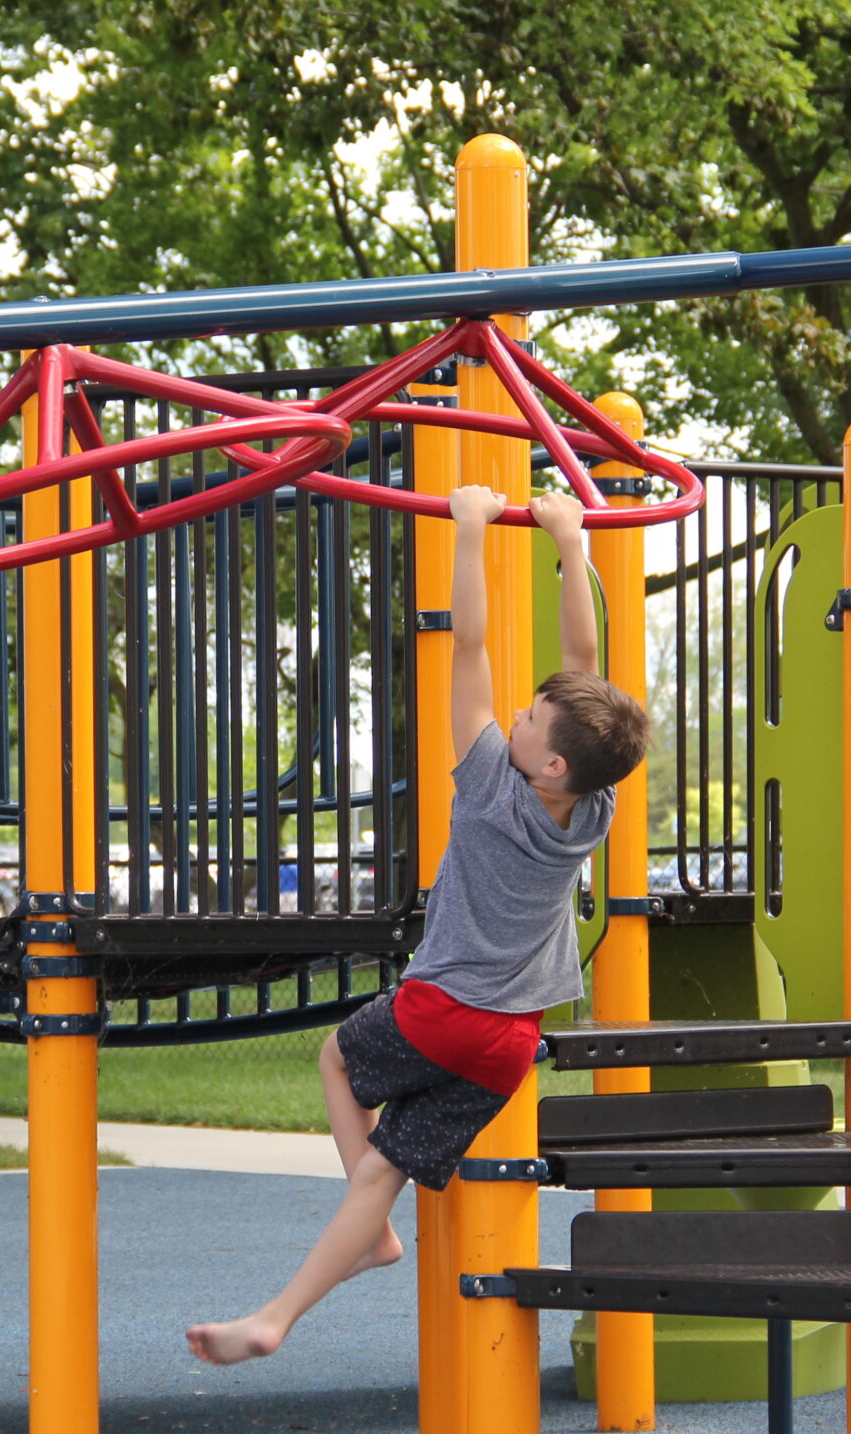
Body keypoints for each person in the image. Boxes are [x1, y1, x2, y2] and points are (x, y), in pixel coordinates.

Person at [186, 484, 653, 1365]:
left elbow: (467, 642)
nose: (512, 712)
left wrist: (470, 527)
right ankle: (284, 1308)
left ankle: (344, 1251)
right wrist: (569, 542)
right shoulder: (594, 807)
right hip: (513, 1045)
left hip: (441, 1011)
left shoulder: (486, 786)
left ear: (548, 759)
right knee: (382, 1171)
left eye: (527, 718)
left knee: (334, 1056)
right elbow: (582, 663)